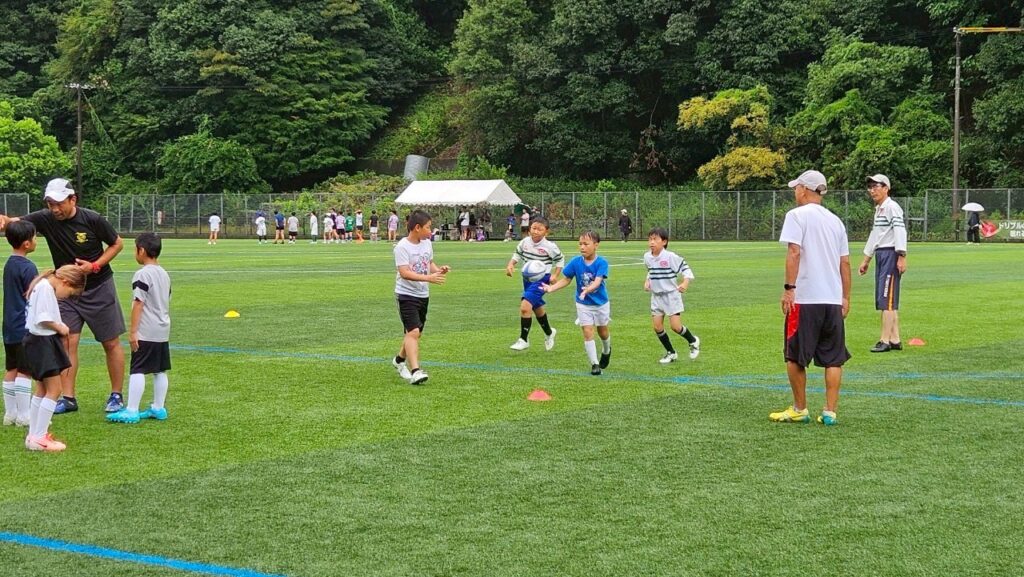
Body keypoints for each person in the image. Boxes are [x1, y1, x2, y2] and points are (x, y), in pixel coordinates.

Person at [0, 178, 127, 414]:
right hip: (65, 291)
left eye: (59, 203)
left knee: (110, 342)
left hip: (99, 287)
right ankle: (68, 398)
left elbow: (117, 244)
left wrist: (95, 266)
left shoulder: (92, 219)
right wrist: (5, 220)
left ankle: (116, 395)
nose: (55, 209)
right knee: (67, 341)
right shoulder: (45, 218)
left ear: (73, 199)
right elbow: (17, 223)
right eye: (50, 204)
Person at [770, 170, 851, 426]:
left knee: (794, 354)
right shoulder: (836, 221)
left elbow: (794, 252)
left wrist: (789, 288)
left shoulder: (796, 216)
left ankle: (799, 408)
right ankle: (830, 412)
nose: (795, 192)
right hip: (832, 300)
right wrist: (845, 297)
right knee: (833, 358)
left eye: (797, 187)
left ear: (804, 189)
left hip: (805, 299)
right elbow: (845, 263)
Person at [107, 233, 171, 424]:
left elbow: (138, 303)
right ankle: (158, 408)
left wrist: (134, 331)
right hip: (162, 328)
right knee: (159, 370)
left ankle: (132, 410)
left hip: (147, 329)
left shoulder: (143, 274)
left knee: (138, 368)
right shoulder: (164, 273)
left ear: (141, 250)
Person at [22, 265, 87, 450]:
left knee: (41, 389)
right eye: (70, 293)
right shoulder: (45, 288)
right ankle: (39, 437)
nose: (67, 297)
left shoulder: (43, 285)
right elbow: (42, 318)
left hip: (38, 341)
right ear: (66, 282)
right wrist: (61, 327)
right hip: (41, 342)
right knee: (54, 390)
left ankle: (33, 435)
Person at [391, 210, 450, 385]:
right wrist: (428, 278)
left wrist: (439, 270)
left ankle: (399, 360)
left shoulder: (427, 244)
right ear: (417, 228)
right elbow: (404, 273)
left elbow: (428, 263)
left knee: (416, 333)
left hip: (423, 294)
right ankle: (416, 371)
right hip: (406, 295)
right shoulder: (402, 247)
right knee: (413, 332)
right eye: (428, 227)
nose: (430, 231)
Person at [542, 231, 611, 375]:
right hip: (582, 303)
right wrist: (551, 288)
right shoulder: (575, 262)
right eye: (580, 244)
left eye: (586, 244)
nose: (582, 247)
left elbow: (598, 282)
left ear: (596, 245)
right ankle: (595, 364)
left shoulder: (601, 262)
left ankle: (606, 350)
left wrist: (589, 289)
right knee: (587, 331)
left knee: (602, 331)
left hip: (601, 303)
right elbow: (566, 279)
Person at [858, 174, 907, 353]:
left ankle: (884, 340)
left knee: (887, 298)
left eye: (876, 186)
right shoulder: (879, 209)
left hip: (890, 254)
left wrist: (901, 255)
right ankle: (894, 339)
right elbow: (875, 236)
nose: (872, 190)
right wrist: (866, 259)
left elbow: (900, 230)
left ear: (886, 188)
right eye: (870, 187)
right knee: (886, 298)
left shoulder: (892, 207)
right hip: (881, 254)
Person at [505, 216, 563, 352]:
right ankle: (549, 332)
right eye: (533, 228)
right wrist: (511, 264)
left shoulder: (550, 246)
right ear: (529, 228)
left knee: (525, 306)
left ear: (546, 232)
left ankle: (523, 339)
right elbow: (517, 254)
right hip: (527, 279)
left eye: (539, 229)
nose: (535, 231)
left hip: (542, 279)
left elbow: (560, 259)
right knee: (536, 307)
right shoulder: (525, 242)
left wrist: (555, 275)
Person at [643, 227, 700, 363]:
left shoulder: (670, 257)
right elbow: (650, 270)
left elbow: (686, 269)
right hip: (656, 296)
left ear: (664, 242)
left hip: (671, 295)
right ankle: (671, 353)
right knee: (657, 327)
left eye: (655, 239)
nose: (652, 242)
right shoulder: (647, 257)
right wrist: (647, 281)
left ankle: (693, 341)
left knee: (675, 327)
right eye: (650, 239)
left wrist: (685, 282)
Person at [3, 221, 38, 427]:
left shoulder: (9, 264)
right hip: (23, 326)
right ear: (26, 243)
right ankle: (24, 415)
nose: (36, 240)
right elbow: (33, 295)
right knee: (25, 371)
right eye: (34, 237)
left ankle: (10, 414)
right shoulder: (28, 267)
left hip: (9, 325)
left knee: (11, 368)